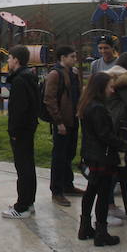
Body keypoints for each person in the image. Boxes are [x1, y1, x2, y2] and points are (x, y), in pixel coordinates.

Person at [76, 71, 127, 247]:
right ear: (101, 87)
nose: (112, 90)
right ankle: (101, 232)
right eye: (109, 86)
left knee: (91, 191)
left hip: (92, 155)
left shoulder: (86, 104)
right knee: (102, 193)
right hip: (103, 156)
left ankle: (85, 227)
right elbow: (105, 135)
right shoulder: (98, 108)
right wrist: (124, 144)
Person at [2, 45, 40, 219]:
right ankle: (29, 201)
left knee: (23, 167)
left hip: (21, 130)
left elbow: (19, 109)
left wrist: (14, 131)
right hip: (29, 127)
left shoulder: (19, 81)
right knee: (28, 166)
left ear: (16, 60)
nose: (8, 61)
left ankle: (22, 206)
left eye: (9, 58)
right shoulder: (29, 77)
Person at [45, 45, 84, 207]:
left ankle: (68, 184)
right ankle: (57, 190)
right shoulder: (55, 74)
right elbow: (49, 99)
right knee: (59, 156)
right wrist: (58, 121)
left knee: (69, 153)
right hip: (63, 122)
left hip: (74, 120)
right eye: (72, 57)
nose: (74, 59)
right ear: (63, 58)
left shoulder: (73, 73)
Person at [104, 64, 127, 225]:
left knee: (111, 171)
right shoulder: (124, 86)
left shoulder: (105, 86)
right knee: (113, 170)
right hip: (118, 132)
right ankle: (107, 207)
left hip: (112, 131)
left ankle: (109, 204)